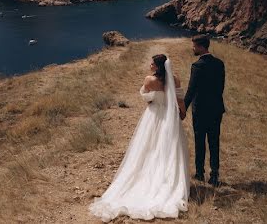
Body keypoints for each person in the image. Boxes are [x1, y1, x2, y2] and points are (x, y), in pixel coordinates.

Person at [88, 54, 190, 222]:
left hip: (153, 116)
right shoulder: (175, 79)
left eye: (152, 63)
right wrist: (183, 113)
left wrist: (155, 99)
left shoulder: (149, 80)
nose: (150, 64)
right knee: (169, 148)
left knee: (148, 147)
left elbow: (147, 99)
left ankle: (147, 175)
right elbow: (179, 99)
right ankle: (168, 179)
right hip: (170, 118)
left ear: (157, 66)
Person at [183, 34, 225, 186]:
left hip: (200, 110)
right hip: (216, 109)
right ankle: (214, 176)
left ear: (201, 47)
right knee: (214, 142)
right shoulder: (220, 64)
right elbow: (221, 88)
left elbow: (191, 90)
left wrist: (183, 109)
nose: (192, 48)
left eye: (194, 46)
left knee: (200, 142)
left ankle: (200, 173)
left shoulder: (197, 66)